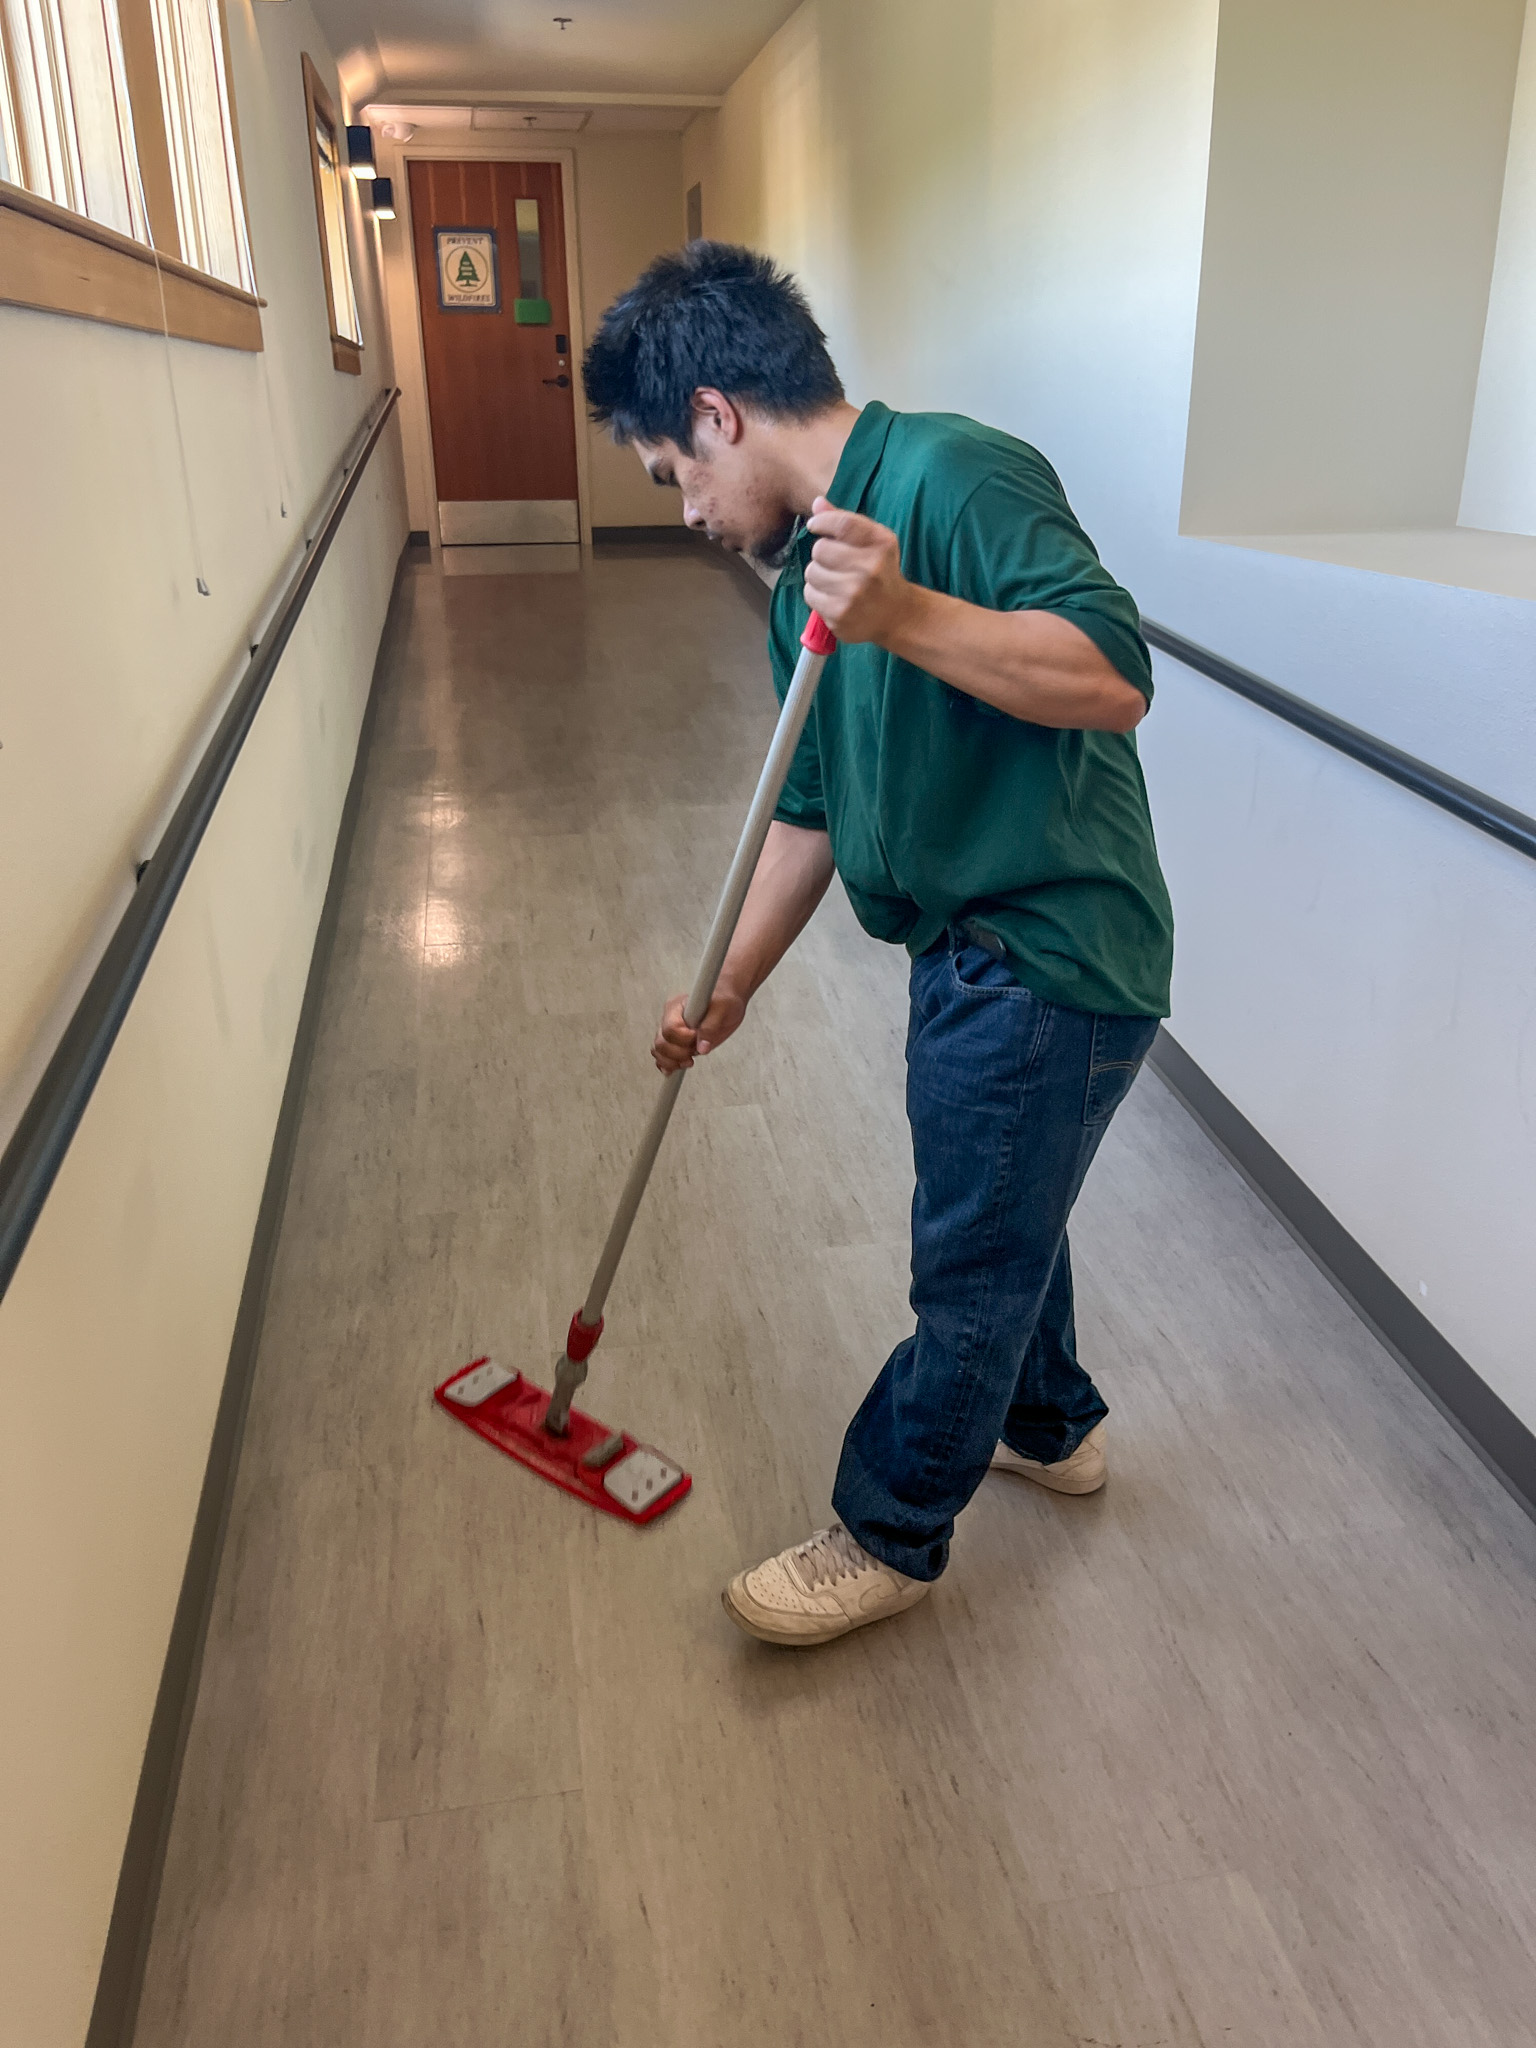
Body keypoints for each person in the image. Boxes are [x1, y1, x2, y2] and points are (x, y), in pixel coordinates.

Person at [582, 242, 1174, 1647]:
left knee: (967, 1265)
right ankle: (1051, 1424)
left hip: (1045, 950)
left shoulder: (958, 477)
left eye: (675, 473)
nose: (686, 512)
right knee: (1008, 1211)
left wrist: (904, 612)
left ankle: (890, 1532)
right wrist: (726, 986)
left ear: (719, 413)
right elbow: (814, 811)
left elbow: (1112, 677)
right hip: (961, 957)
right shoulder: (800, 590)